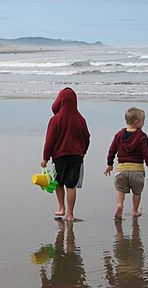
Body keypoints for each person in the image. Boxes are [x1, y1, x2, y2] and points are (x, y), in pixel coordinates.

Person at [41, 87, 90, 221]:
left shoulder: (55, 120)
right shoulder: (80, 119)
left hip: (59, 157)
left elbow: (50, 140)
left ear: (60, 101)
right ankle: (70, 213)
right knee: (71, 185)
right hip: (76, 157)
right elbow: (87, 137)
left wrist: (45, 158)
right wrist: (83, 152)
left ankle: (61, 207)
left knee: (58, 182)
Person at [104, 107, 148, 219]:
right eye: (143, 121)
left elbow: (112, 150)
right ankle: (135, 210)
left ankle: (120, 204)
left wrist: (109, 164)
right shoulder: (142, 136)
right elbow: (147, 153)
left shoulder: (118, 135)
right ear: (137, 122)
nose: (144, 123)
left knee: (120, 189)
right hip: (137, 171)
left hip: (121, 170)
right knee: (137, 192)